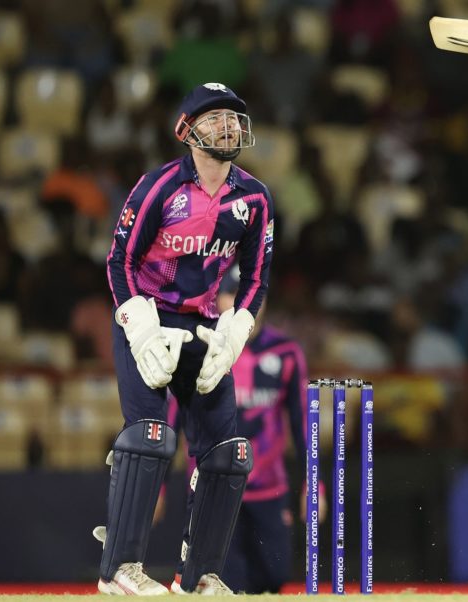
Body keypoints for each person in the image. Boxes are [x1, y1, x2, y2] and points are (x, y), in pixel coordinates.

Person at [97, 82, 272, 595]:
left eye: (233, 118)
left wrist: (237, 328)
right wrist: (138, 322)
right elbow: (119, 260)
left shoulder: (254, 197)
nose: (227, 127)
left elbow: (257, 276)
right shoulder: (158, 186)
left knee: (228, 453)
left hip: (202, 330)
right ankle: (119, 572)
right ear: (187, 130)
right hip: (150, 324)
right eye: (215, 118)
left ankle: (199, 579)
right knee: (148, 439)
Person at [160, 267, 320, 593]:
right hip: (212, 489)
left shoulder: (286, 353)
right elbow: (171, 422)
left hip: (269, 488)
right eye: (232, 294)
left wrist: (313, 483)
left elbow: (303, 422)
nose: (242, 304)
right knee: (223, 584)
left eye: (248, 295)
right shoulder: (195, 349)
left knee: (274, 579)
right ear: (216, 300)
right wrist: (158, 488)